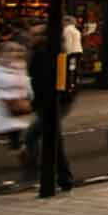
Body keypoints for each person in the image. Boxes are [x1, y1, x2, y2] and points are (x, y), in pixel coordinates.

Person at [23, 20, 74, 191]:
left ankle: (43, 175)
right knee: (51, 140)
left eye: (37, 34)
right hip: (45, 103)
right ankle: (62, 177)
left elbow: (62, 81)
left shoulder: (53, 53)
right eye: (32, 33)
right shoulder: (37, 52)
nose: (33, 37)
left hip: (52, 103)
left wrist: (60, 100)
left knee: (38, 137)